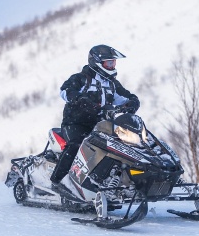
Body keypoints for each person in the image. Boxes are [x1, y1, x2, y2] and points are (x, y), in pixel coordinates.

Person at [50, 44, 140, 185]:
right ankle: (56, 182)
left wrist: (133, 102)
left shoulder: (112, 84)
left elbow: (125, 97)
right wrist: (79, 99)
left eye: (113, 62)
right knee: (76, 145)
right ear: (97, 63)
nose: (112, 65)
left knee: (123, 146)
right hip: (76, 123)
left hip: (102, 125)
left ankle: (123, 183)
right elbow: (65, 91)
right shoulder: (81, 78)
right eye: (109, 62)